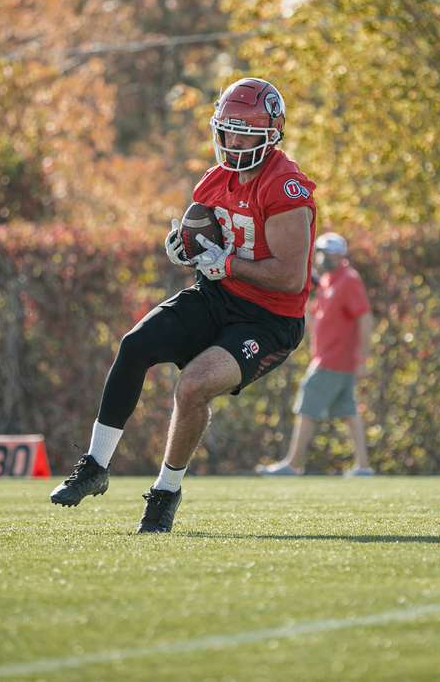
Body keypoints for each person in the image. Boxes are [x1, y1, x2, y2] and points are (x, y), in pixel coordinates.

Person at [49, 77, 316, 533]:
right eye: (226, 130)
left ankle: (165, 492)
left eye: (243, 132)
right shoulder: (214, 181)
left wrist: (225, 262)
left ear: (269, 135)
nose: (232, 141)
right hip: (216, 296)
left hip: (268, 318)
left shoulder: (285, 186)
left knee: (193, 386)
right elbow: (205, 243)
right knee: (135, 345)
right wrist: (184, 247)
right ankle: (96, 465)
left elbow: (291, 277)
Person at [255, 232, 374, 476]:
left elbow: (365, 318)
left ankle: (293, 464)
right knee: (349, 413)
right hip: (331, 359)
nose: (321, 258)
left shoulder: (348, 280)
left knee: (307, 402)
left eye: (326, 253)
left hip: (333, 361)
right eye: (320, 253)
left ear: (340, 255)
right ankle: (363, 466)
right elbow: (313, 320)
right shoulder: (328, 282)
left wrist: (362, 359)